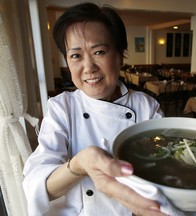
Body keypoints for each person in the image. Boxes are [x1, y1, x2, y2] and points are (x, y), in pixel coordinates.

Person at [23, 3, 166, 215]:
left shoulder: (146, 106)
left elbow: (162, 167)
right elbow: (39, 187)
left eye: (99, 51)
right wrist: (80, 164)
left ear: (119, 56)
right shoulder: (62, 107)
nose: (89, 67)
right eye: (76, 56)